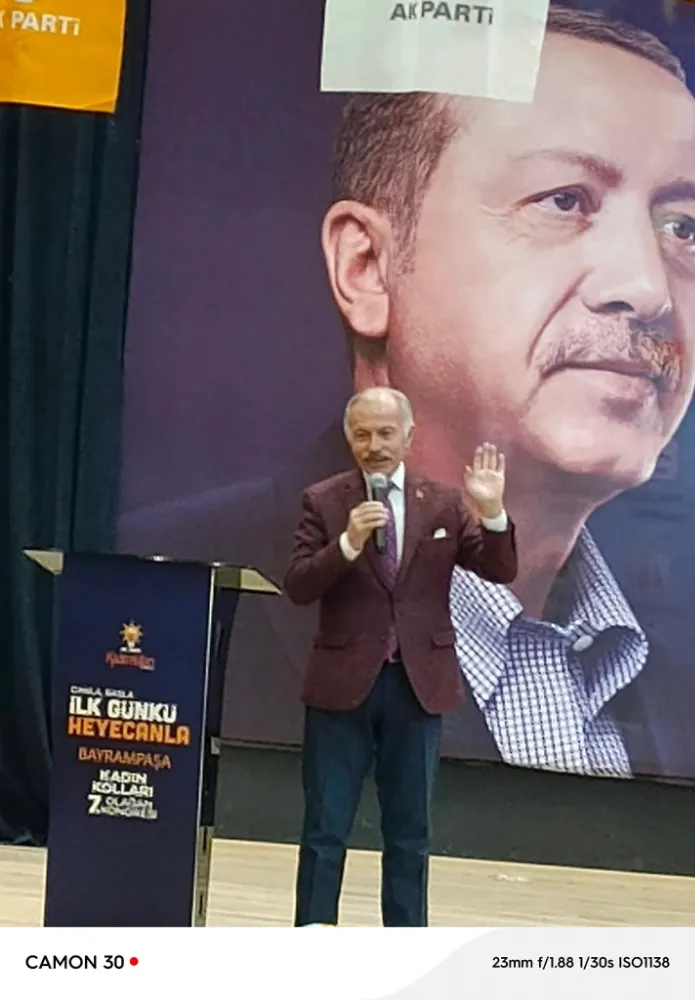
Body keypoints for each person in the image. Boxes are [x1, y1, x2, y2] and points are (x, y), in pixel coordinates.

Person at [118, 6, 695, 780]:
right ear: (366, 269)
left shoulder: (678, 690)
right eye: (562, 200)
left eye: (684, 228)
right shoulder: (167, 606)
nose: (647, 288)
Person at [286, 386, 516, 926]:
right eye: (362, 434)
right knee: (324, 830)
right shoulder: (324, 500)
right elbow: (298, 585)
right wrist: (347, 544)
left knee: (410, 834)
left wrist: (492, 513)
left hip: (417, 686)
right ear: (349, 438)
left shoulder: (442, 502)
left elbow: (499, 570)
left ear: (409, 437)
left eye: (386, 433)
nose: (375, 445)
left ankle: (406, 949)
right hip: (342, 687)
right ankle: (311, 945)